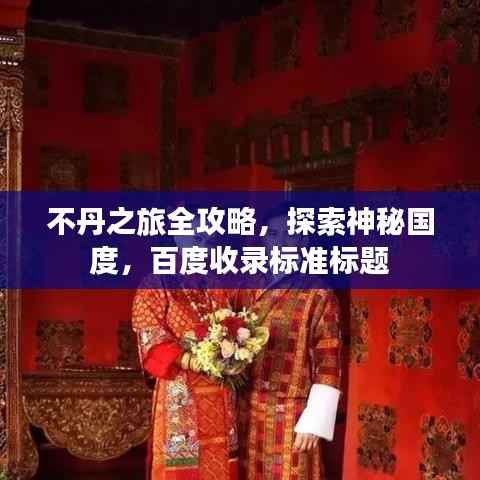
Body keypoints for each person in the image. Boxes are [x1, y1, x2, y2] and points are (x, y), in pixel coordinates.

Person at [238, 204, 342, 480]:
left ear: (303, 240)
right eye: (273, 235)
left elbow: (329, 360)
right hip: (244, 410)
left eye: (290, 235)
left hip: (291, 414)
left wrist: (315, 420)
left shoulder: (318, 293)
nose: (281, 243)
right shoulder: (246, 285)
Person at [131, 225, 238, 480]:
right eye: (195, 233)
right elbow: (150, 337)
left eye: (208, 233)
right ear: (177, 235)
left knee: (221, 461)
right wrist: (193, 360)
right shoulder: (156, 282)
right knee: (182, 463)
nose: (203, 239)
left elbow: (236, 326)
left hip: (220, 391)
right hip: (180, 391)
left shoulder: (217, 282)